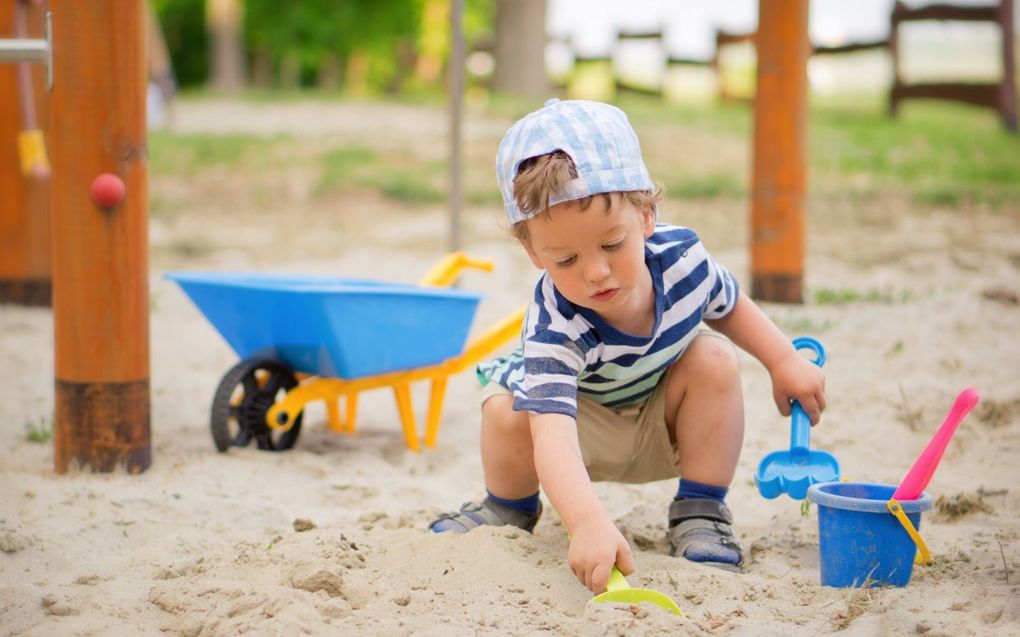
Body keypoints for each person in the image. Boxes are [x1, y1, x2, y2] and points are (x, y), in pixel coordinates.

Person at [429, 99, 826, 595]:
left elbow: (729, 307)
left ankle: (700, 509)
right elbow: (551, 433)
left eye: (612, 244)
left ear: (646, 215)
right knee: (507, 407)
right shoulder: (556, 320)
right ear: (533, 252)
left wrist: (783, 359)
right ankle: (509, 505)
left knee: (714, 357)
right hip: (578, 433)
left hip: (665, 421)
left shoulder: (683, 262)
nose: (595, 272)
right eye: (566, 258)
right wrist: (586, 522)